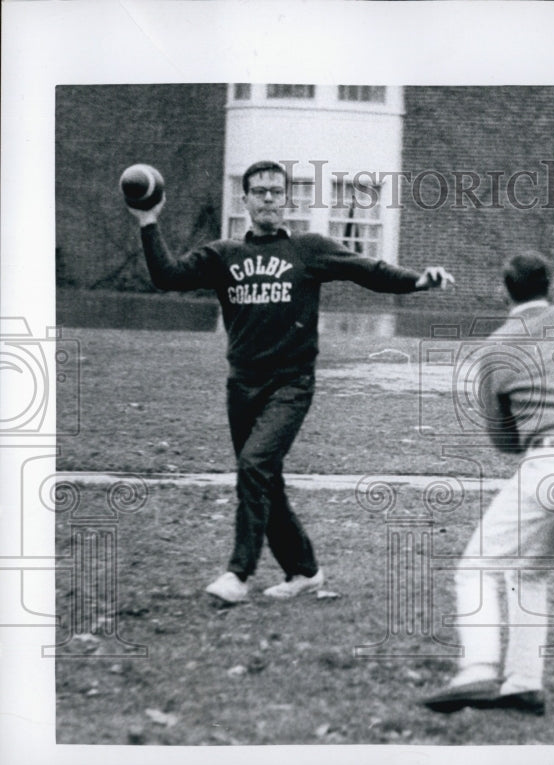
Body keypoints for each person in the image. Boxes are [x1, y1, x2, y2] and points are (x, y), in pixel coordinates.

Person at [128, 160, 454, 604]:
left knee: (254, 466)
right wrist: (148, 221)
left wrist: (417, 281)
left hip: (290, 384)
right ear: (244, 200)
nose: (267, 198)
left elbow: (367, 269)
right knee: (266, 479)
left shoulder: (308, 250)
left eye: (275, 192)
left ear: (287, 201)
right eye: (258, 191)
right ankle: (304, 570)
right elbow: (166, 276)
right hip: (241, 386)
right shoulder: (223, 255)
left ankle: (237, 575)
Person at [421, 251, 554, 716]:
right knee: (529, 572)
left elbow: (503, 439)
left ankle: (477, 670)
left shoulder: (496, 347)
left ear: (504, 289)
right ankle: (523, 683)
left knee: (476, 567)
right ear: (550, 284)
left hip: (553, 460)